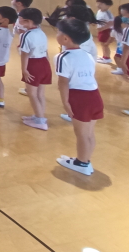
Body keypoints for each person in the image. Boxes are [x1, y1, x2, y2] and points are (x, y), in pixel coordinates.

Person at [55, 18, 104, 176]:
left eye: (58, 32)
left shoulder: (62, 57)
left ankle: (82, 163)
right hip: (95, 95)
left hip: (79, 97)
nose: (56, 34)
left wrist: (65, 102)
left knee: (81, 134)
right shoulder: (87, 54)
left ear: (65, 38)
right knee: (89, 133)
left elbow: (63, 82)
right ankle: (85, 160)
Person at [18, 8, 51, 131]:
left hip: (33, 65)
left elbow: (24, 54)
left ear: (28, 21)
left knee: (32, 94)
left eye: (20, 19)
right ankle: (39, 115)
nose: (19, 21)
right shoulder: (41, 32)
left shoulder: (26, 35)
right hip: (44, 63)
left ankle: (40, 121)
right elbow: (46, 51)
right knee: (40, 94)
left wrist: (24, 70)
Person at [12, 0, 33, 97]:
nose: (12, 1)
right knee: (29, 65)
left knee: (28, 66)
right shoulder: (28, 14)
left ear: (19, 3)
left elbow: (24, 31)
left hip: (27, 46)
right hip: (26, 44)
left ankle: (30, 88)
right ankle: (29, 88)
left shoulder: (24, 17)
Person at [95, 0, 115, 64]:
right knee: (102, 44)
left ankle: (107, 58)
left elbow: (111, 23)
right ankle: (104, 56)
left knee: (105, 44)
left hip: (106, 31)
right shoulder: (99, 11)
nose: (98, 5)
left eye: (101, 4)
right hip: (101, 30)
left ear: (108, 6)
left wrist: (102, 28)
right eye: (98, 3)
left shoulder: (108, 13)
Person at [111, 5, 128, 76]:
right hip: (121, 46)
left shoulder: (126, 30)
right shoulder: (118, 30)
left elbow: (111, 38)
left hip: (123, 47)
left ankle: (121, 69)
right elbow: (112, 38)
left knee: (118, 57)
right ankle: (121, 68)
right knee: (118, 57)